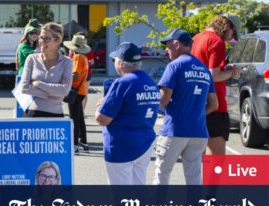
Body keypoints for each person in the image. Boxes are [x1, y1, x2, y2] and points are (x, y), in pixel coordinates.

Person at [153, 29, 218, 186]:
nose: (166, 50)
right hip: (199, 131)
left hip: (174, 130)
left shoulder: (174, 66)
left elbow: (163, 100)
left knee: (162, 174)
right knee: (194, 177)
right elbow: (214, 104)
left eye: (168, 46)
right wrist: (196, 113)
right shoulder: (204, 69)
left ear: (176, 44)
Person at [95, 42, 160, 185]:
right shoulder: (150, 82)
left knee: (122, 196)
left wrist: (100, 106)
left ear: (121, 63)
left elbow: (102, 118)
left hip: (121, 145)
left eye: (115, 60)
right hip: (144, 142)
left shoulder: (123, 82)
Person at [191, 14, 242, 155]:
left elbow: (202, 68)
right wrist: (233, 72)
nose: (231, 38)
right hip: (215, 106)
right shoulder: (217, 42)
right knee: (217, 160)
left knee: (196, 158)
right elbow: (213, 76)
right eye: (233, 33)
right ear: (227, 26)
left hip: (197, 102)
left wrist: (225, 67)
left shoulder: (197, 38)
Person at [19, 22, 73, 118]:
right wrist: (51, 93)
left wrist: (38, 84)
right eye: (41, 37)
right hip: (32, 114)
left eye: (46, 38)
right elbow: (24, 87)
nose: (41, 41)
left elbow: (64, 91)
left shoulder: (67, 62)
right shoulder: (31, 58)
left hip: (56, 116)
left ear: (57, 41)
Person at [63, 35, 90, 154]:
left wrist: (64, 77)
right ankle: (83, 141)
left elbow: (75, 75)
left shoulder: (78, 57)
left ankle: (74, 144)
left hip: (75, 90)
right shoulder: (83, 56)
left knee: (74, 118)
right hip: (81, 90)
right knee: (79, 118)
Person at [68, 32, 95, 111]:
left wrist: (83, 64)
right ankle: (81, 111)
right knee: (82, 93)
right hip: (84, 73)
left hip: (84, 74)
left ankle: (81, 111)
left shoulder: (86, 51)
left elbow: (92, 62)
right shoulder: (73, 50)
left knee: (81, 93)